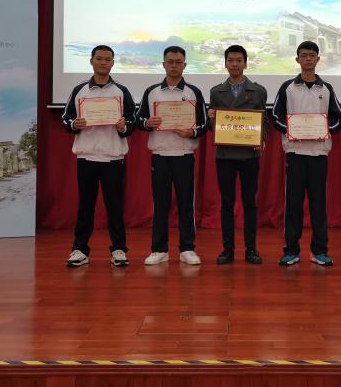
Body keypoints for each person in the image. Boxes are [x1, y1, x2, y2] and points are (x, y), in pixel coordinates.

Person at [61, 44, 136, 268]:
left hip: (113, 158)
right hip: (87, 158)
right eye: (99, 59)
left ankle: (119, 249)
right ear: (91, 61)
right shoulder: (79, 90)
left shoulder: (121, 91)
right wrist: (75, 124)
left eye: (107, 59)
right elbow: (66, 119)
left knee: (115, 207)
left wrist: (123, 126)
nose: (103, 63)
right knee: (85, 207)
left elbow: (132, 122)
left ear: (113, 63)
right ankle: (80, 249)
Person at [270, 40, 341, 266]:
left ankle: (319, 251)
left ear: (318, 59)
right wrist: (292, 130)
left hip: (319, 154)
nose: (308, 59)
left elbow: (337, 119)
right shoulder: (287, 87)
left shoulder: (327, 88)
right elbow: (276, 117)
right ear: (297, 59)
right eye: (304, 55)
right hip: (295, 153)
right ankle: (291, 251)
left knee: (318, 205)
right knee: (293, 204)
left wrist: (324, 131)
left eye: (312, 55)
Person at [137, 45, 208, 265]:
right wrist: (148, 123)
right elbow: (139, 119)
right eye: (170, 62)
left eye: (178, 62)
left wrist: (192, 132)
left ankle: (187, 248)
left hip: (184, 154)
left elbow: (204, 124)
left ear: (184, 65)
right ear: (163, 64)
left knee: (186, 203)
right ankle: (159, 249)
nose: (174, 66)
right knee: (160, 204)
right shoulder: (152, 92)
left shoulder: (193, 92)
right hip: (160, 154)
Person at [207, 44, 268, 265]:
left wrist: (260, 138)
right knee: (226, 203)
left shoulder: (258, 91)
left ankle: (251, 249)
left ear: (245, 63)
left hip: (250, 155)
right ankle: (228, 250)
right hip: (225, 155)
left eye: (239, 60)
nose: (235, 64)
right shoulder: (216, 92)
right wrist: (211, 119)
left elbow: (264, 121)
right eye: (231, 60)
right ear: (225, 63)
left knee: (250, 203)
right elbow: (212, 128)